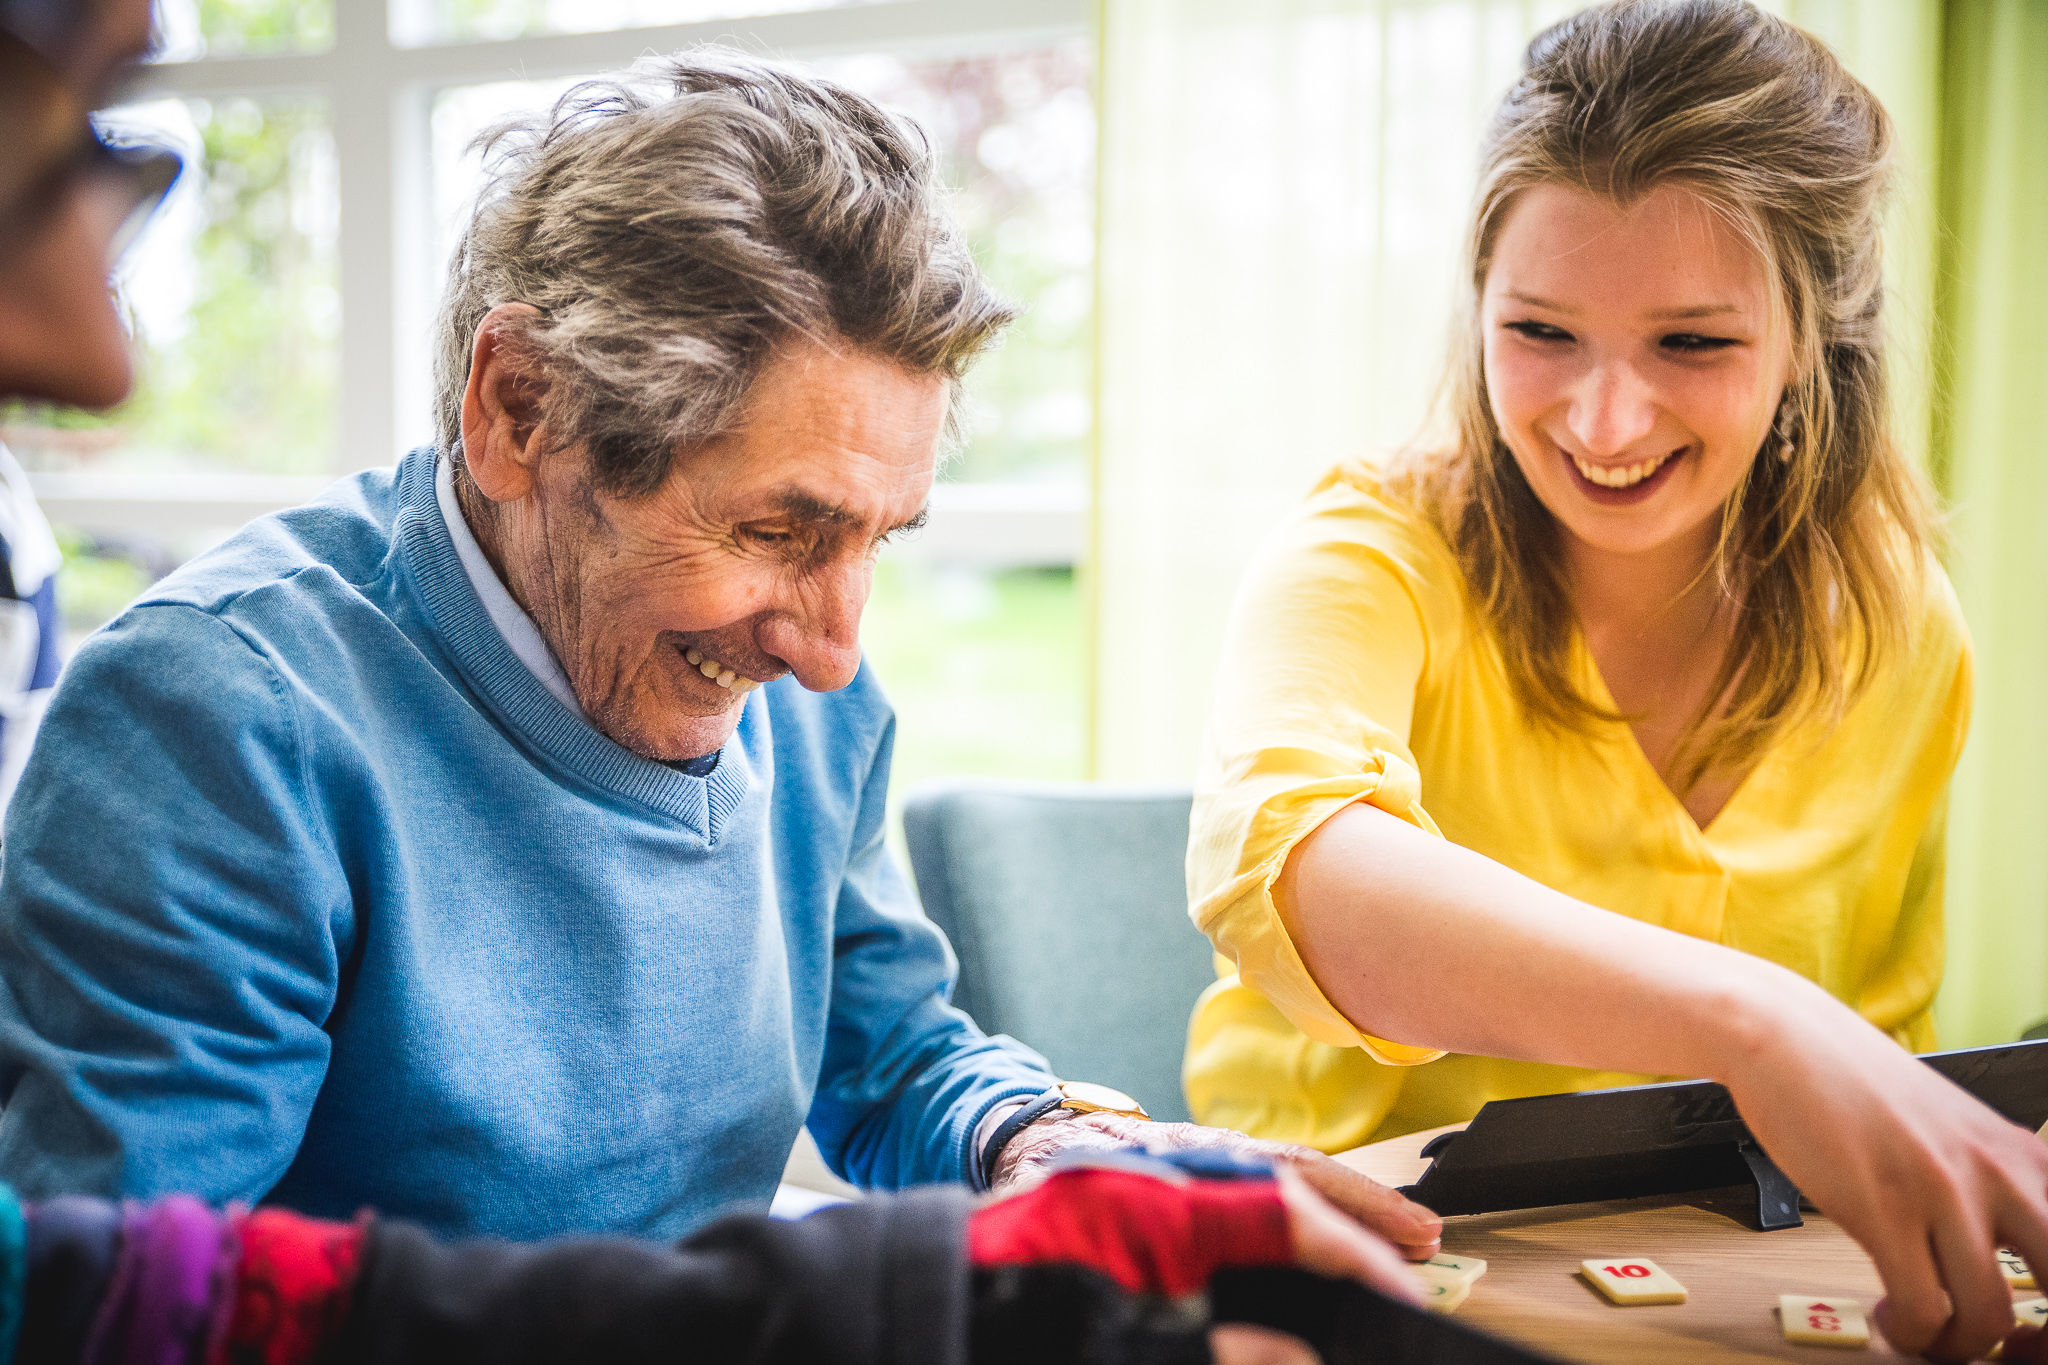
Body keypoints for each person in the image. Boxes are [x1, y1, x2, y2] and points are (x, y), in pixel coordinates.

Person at [0, 6, 1438, 1307]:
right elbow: (129, 1315)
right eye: (776, 527)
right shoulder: (217, 721)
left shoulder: (802, 696)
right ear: (518, 408)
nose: (832, 648)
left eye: (881, 537)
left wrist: (1043, 1140)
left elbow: (887, 1052)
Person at [1183, 1, 2048, 1360]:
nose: (1603, 421)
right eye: (1540, 331)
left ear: (1815, 336)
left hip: (1727, 1286)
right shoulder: (1362, 555)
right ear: (1477, 306)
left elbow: (1872, 1082)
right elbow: (1299, 869)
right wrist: (1757, 1021)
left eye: (1692, 344)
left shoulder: (1895, 620)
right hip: (1354, 1272)